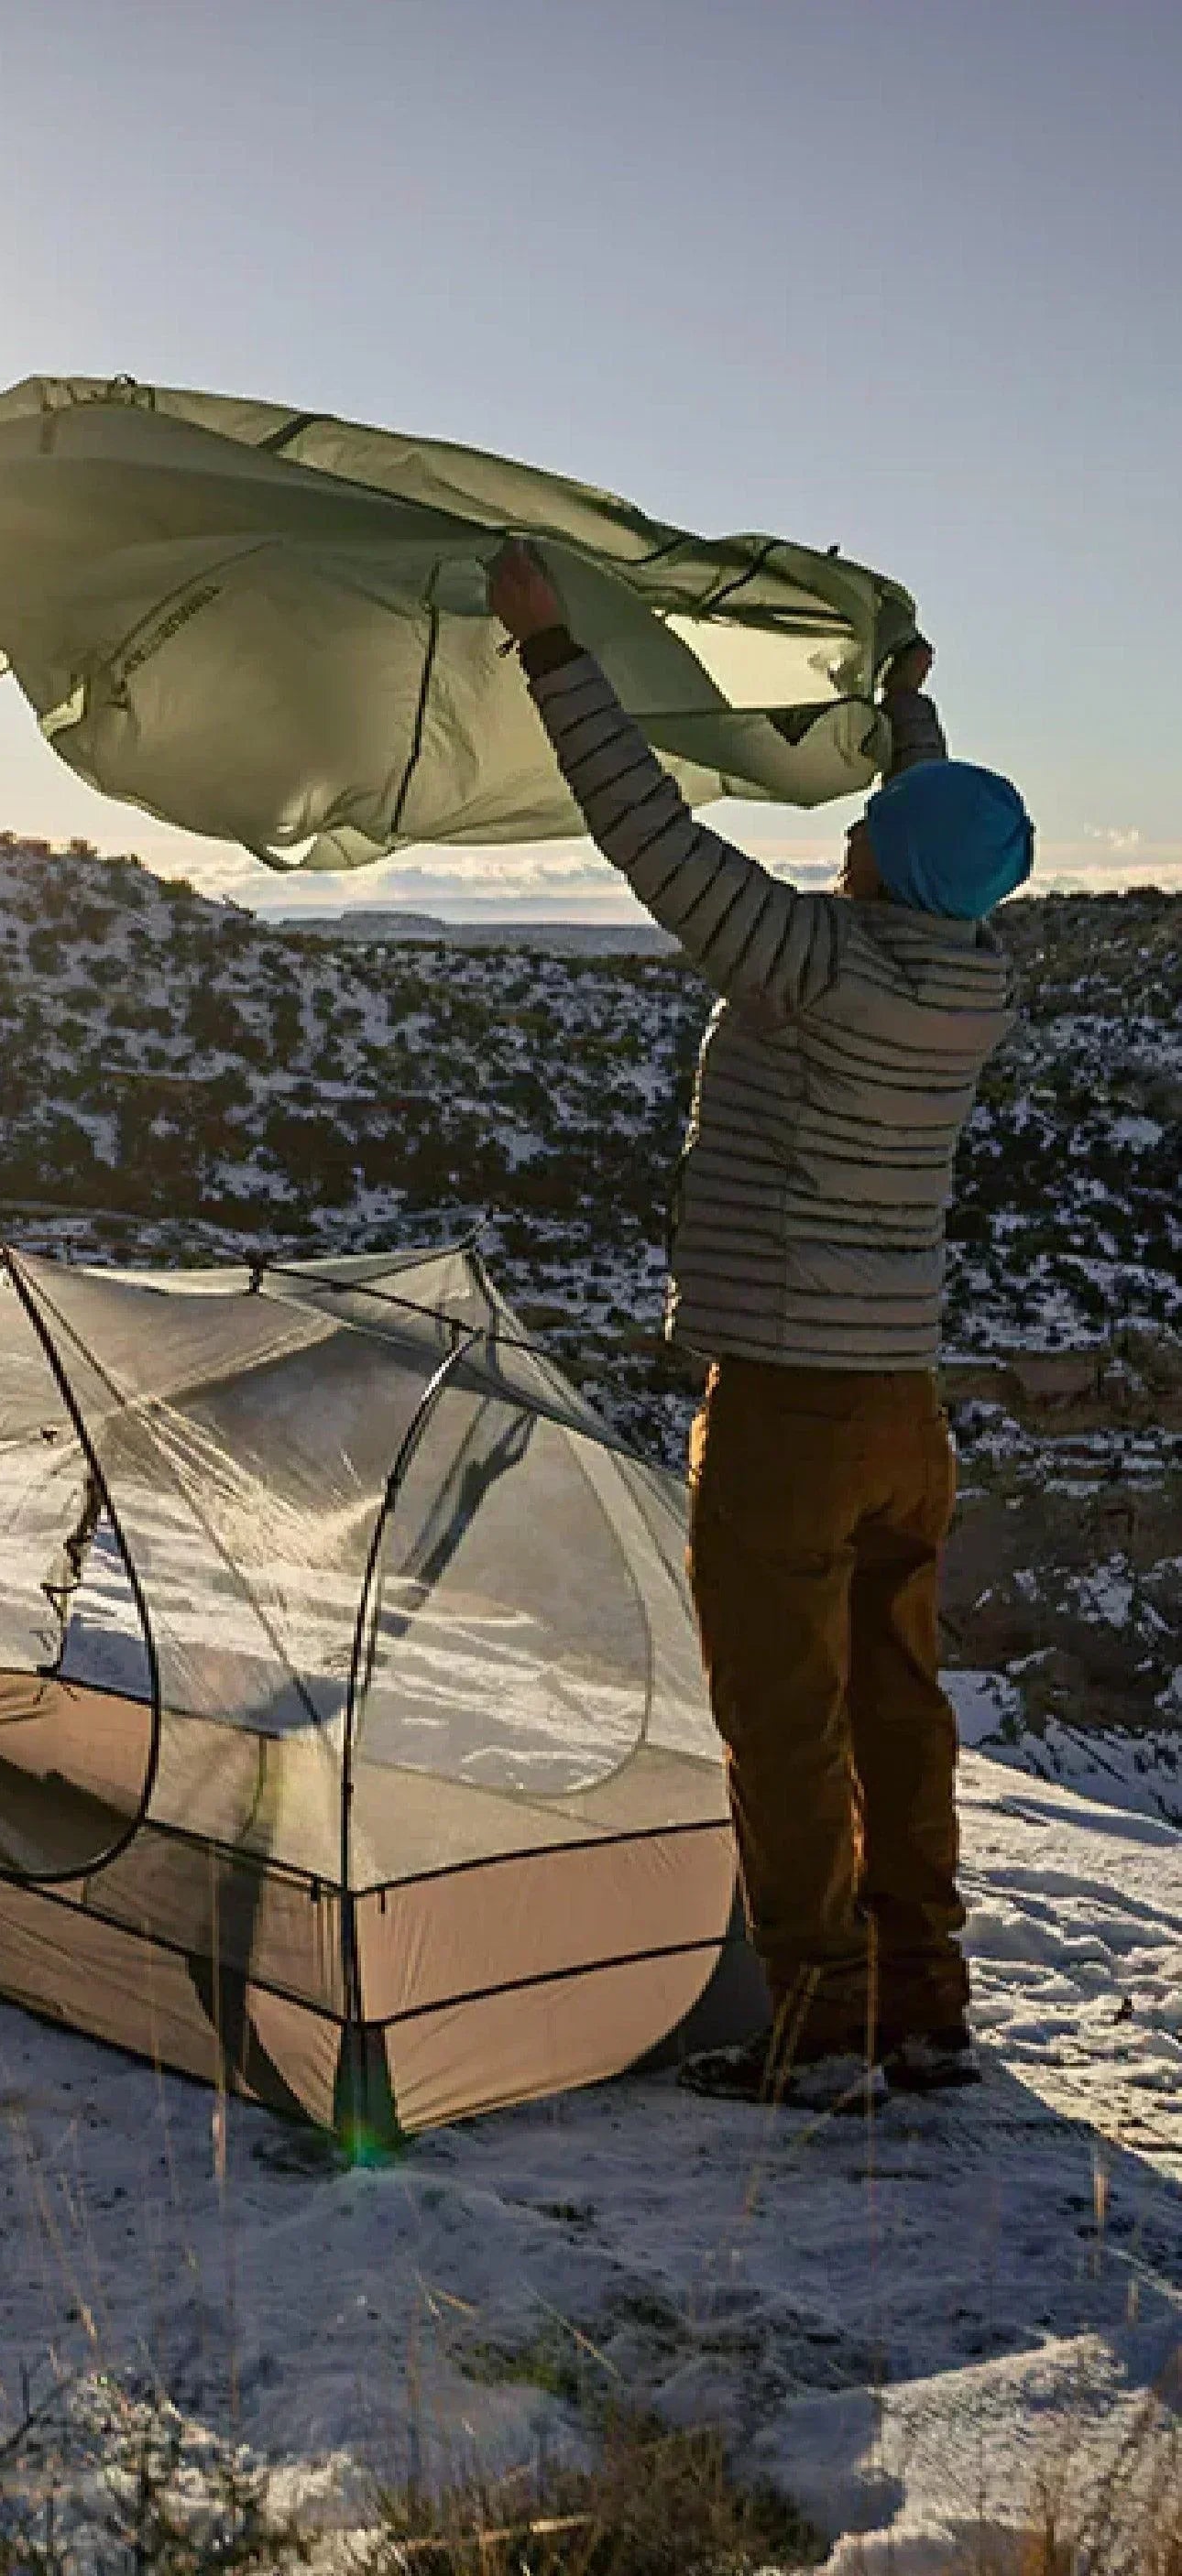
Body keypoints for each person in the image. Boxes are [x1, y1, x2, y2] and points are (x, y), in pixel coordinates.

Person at [486, 539, 1033, 2113]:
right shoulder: (969, 978)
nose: (849, 833)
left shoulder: (811, 969)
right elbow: (945, 840)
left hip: (788, 1409)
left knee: (785, 1722)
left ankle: (815, 2027)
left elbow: (649, 834)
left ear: (878, 867)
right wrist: (913, 722)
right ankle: (926, 2006)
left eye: (868, 826)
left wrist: (552, 648)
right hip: (902, 1414)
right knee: (897, 1708)